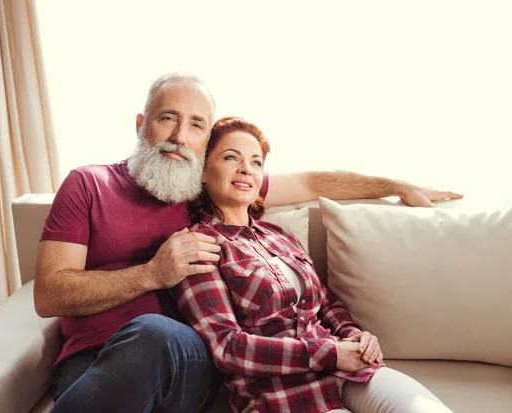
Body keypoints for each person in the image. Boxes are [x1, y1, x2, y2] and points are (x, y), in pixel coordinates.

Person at [35, 73, 462, 413]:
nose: (180, 136)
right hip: (93, 359)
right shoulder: (89, 184)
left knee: (156, 333)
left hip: (187, 359)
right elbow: (49, 294)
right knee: (146, 339)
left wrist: (397, 185)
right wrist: (152, 274)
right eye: (168, 118)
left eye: (196, 125)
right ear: (141, 124)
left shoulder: (207, 190)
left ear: (204, 146)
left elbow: (314, 181)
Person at [170, 116, 453, 413]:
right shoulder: (200, 246)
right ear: (202, 171)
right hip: (282, 394)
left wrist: (355, 335)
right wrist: (330, 353)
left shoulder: (279, 235)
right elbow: (228, 348)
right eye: (231, 157)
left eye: (256, 162)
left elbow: (325, 303)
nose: (246, 170)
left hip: (347, 373)